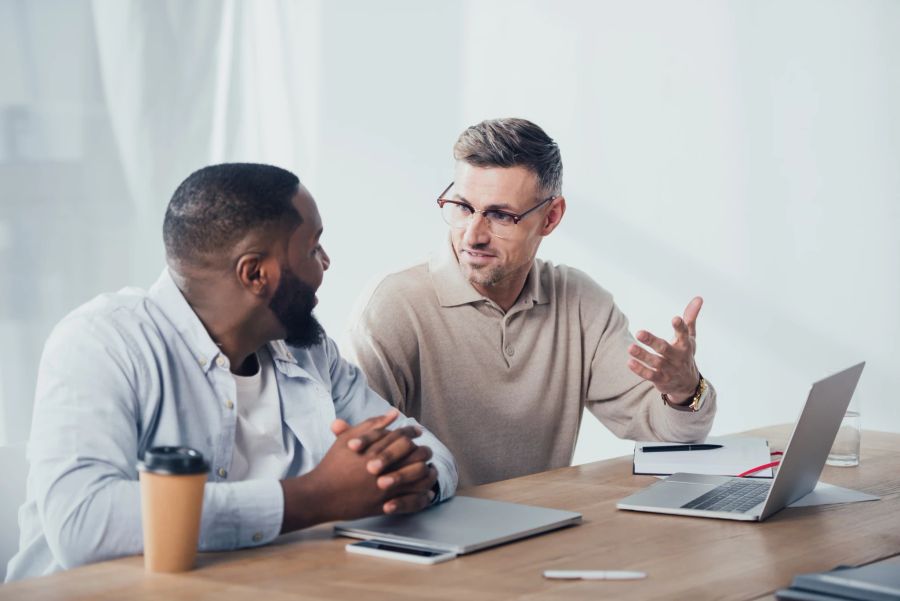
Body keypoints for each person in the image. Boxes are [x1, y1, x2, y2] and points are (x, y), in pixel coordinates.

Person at [6, 163, 457, 581]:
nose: (326, 262)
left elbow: (430, 453)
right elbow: (84, 521)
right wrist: (314, 497)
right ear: (256, 273)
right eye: (313, 246)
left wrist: (404, 483)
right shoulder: (103, 342)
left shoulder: (309, 349)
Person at [350, 118, 716, 487]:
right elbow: (354, 460)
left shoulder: (579, 303)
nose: (473, 236)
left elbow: (671, 436)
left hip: (541, 529)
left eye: (499, 215)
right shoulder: (393, 306)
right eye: (462, 206)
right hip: (430, 530)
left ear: (551, 217)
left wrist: (685, 389)